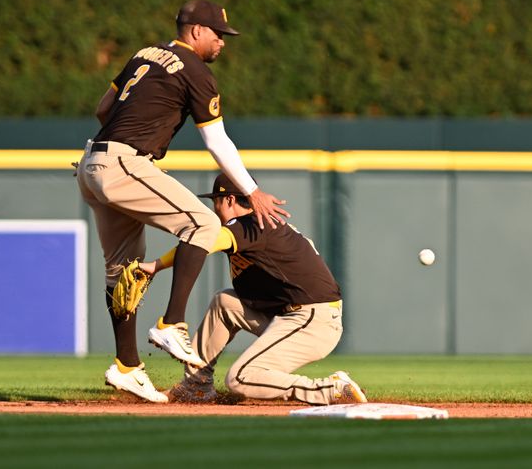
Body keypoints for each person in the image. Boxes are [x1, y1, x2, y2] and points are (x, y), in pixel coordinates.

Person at [76, 0, 290, 403]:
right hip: (123, 163)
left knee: (121, 272)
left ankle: (127, 367)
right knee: (205, 225)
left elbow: (103, 108)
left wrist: (123, 136)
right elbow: (216, 140)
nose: (223, 43)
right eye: (218, 34)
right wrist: (251, 191)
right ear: (195, 31)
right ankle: (172, 322)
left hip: (91, 162)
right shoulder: (196, 71)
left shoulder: (144, 53)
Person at [139, 173, 367, 405]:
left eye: (215, 201)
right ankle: (196, 386)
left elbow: (199, 244)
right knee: (225, 303)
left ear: (228, 200)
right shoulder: (255, 225)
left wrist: (155, 266)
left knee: (240, 378)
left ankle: (331, 389)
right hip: (294, 315)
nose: (215, 208)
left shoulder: (249, 225)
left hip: (312, 321)